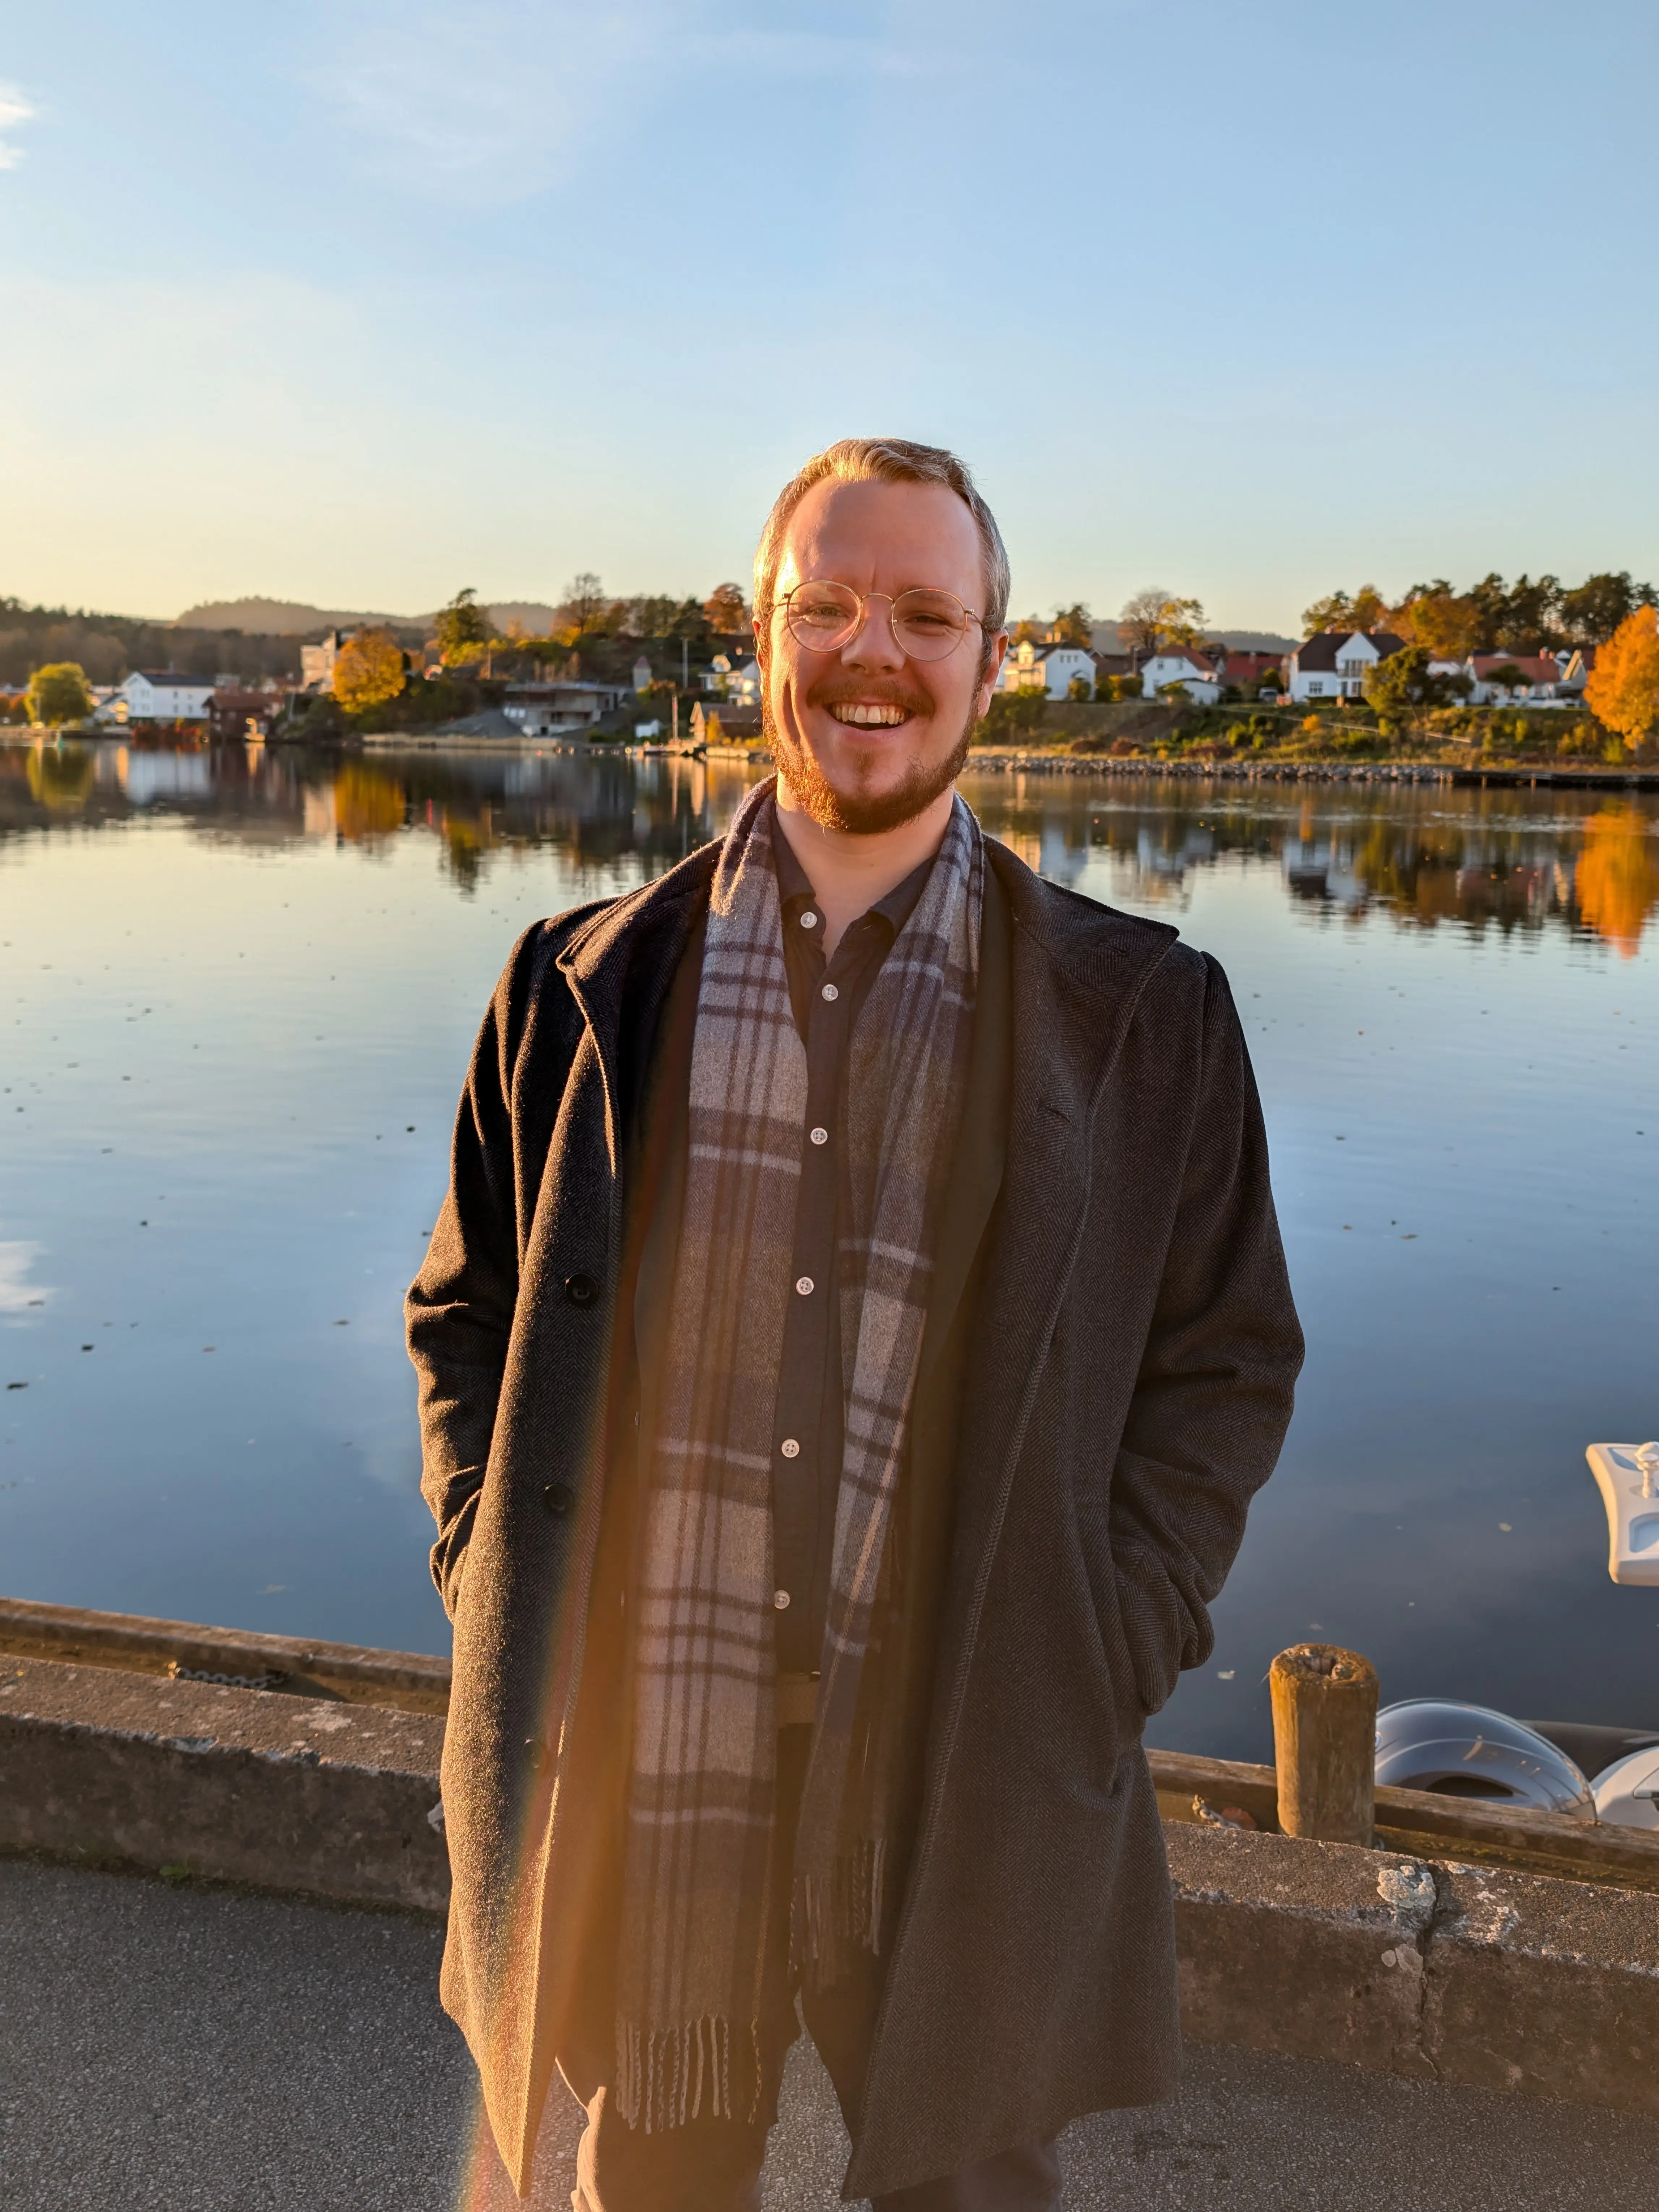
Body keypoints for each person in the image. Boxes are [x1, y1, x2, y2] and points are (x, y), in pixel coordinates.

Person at [407, 437, 1303, 2211]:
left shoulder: (1141, 1017)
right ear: (759, 636)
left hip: (964, 1756)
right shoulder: (579, 987)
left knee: (965, 2185)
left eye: (922, 613)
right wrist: (486, 1552)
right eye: (823, 604)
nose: (868, 652)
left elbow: (1225, 1366)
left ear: (991, 655)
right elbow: (465, 1312)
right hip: (648, 1758)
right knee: (653, 2179)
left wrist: (1107, 1640)